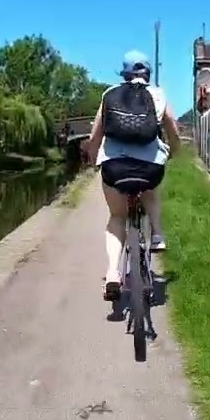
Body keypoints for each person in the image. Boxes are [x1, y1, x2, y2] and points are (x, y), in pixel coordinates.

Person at [83, 50, 181, 302]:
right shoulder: (158, 94)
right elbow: (172, 128)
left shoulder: (109, 94)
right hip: (149, 168)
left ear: (124, 74)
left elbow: (95, 136)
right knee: (151, 192)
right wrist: (173, 153)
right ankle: (157, 235)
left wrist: (94, 160)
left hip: (114, 168)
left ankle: (113, 273)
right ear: (147, 73)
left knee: (117, 217)